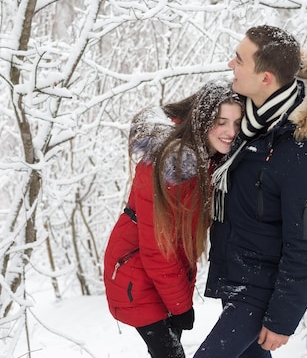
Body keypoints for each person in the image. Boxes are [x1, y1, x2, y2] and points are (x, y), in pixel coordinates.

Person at [194, 26, 307, 358]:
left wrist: (282, 319)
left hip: (261, 294)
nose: (230, 63)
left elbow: (306, 244)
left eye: (239, 59)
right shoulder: (248, 125)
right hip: (235, 280)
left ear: (265, 78)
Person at [103, 80, 243, 358]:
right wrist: (181, 306)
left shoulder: (204, 156)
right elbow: (159, 249)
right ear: (202, 120)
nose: (230, 132)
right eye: (221, 122)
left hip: (159, 279)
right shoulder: (173, 168)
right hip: (137, 276)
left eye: (237, 123)